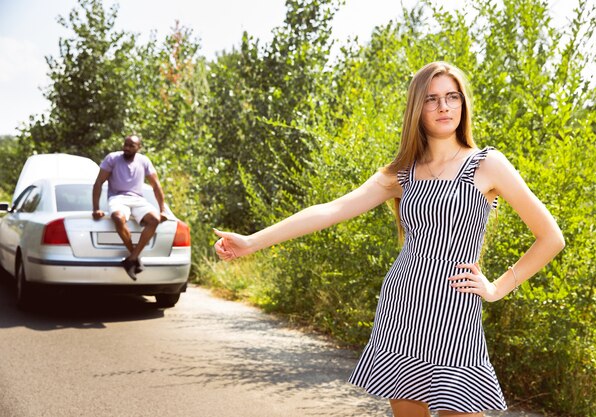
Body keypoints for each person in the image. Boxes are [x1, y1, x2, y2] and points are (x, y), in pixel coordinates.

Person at [213, 61, 565, 417]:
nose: (443, 106)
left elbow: (551, 237)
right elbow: (331, 210)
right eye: (431, 99)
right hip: (403, 307)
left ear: (463, 103)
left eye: (452, 97)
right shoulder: (402, 172)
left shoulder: (489, 164)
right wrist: (252, 241)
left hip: (458, 316)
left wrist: (497, 288)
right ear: (417, 108)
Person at [92, 134, 167, 280]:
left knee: (154, 219)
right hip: (117, 198)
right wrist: (96, 208)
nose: (126, 148)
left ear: (139, 147)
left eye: (131, 146)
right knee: (118, 218)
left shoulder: (144, 161)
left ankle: (131, 259)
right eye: (125, 145)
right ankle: (135, 256)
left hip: (138, 199)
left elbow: (156, 185)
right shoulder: (112, 159)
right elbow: (98, 182)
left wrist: (162, 209)